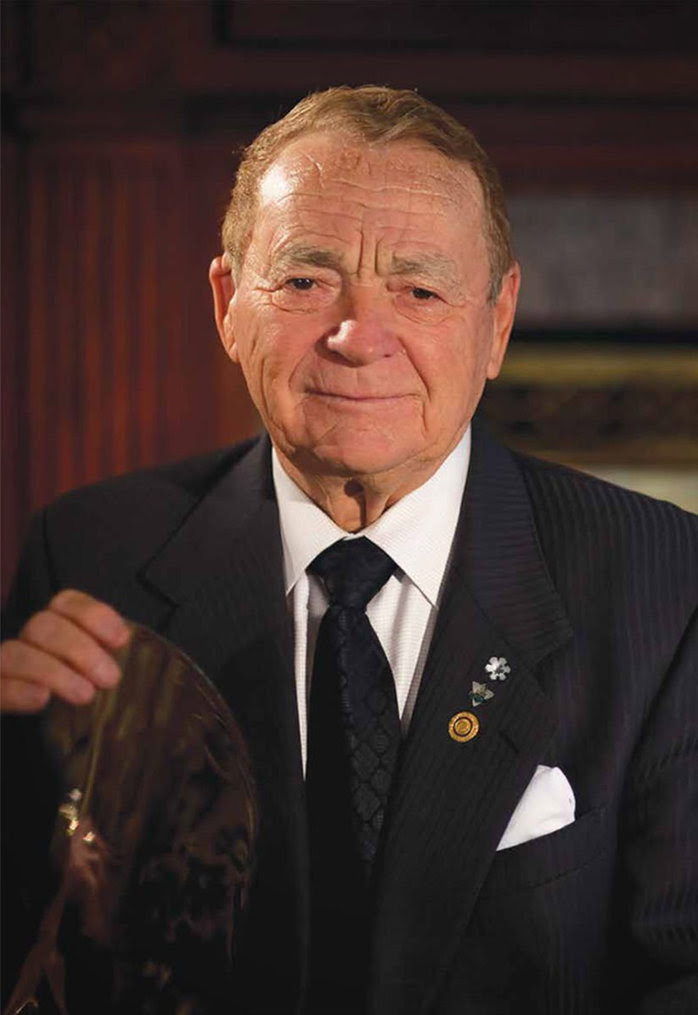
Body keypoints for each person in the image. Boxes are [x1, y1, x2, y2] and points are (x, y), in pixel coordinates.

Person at [2, 85, 697, 1015]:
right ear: (227, 304)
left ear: (496, 322)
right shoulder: (92, 555)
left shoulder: (662, 582)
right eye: (304, 281)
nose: (358, 338)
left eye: (419, 290)